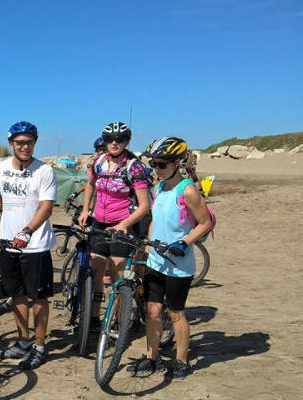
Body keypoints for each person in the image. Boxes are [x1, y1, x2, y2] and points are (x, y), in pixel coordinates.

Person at [133, 137, 211, 381]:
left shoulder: (187, 189)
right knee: (152, 309)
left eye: (162, 164)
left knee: (175, 312)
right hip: (156, 259)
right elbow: (155, 219)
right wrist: (147, 244)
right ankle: (151, 356)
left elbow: (206, 222)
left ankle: (181, 360)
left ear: (177, 162)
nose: (156, 169)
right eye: (153, 164)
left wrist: (185, 242)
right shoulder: (158, 189)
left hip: (179, 264)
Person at [0, 121, 56, 370]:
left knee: (39, 297)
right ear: (11, 144)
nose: (25, 147)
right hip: (8, 242)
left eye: (29, 142)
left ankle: (40, 346)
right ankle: (23, 341)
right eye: (20, 142)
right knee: (17, 295)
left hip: (35, 245)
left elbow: (46, 206)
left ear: (35, 143)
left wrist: (28, 230)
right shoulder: (1, 168)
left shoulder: (44, 171)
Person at [78, 122, 150, 331]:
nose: (114, 143)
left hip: (125, 223)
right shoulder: (99, 161)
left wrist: (124, 225)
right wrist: (86, 210)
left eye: (120, 139)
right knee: (96, 268)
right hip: (100, 220)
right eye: (110, 139)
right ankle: (93, 316)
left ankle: (120, 321)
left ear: (127, 141)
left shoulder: (134, 167)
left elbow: (144, 205)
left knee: (118, 273)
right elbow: (90, 184)